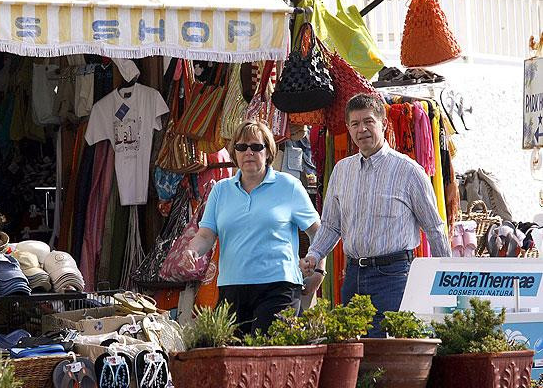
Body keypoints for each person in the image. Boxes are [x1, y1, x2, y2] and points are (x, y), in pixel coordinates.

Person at [299, 93, 451, 337]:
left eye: (368, 121)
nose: (362, 129)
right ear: (348, 128)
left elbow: (434, 228)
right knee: (354, 354)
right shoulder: (341, 170)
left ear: (384, 123)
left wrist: (447, 276)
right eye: (355, 124)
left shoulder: (409, 171)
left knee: (388, 353)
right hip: (353, 277)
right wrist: (315, 255)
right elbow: (330, 225)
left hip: (394, 276)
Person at [183, 121, 321, 335]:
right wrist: (192, 251)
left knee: (267, 355)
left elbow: (318, 232)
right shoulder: (221, 190)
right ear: (234, 152)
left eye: (256, 147)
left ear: (268, 151)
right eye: (241, 147)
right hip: (232, 287)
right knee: (233, 361)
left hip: (278, 286)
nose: (249, 152)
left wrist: (319, 270)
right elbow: (206, 235)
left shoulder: (289, 186)